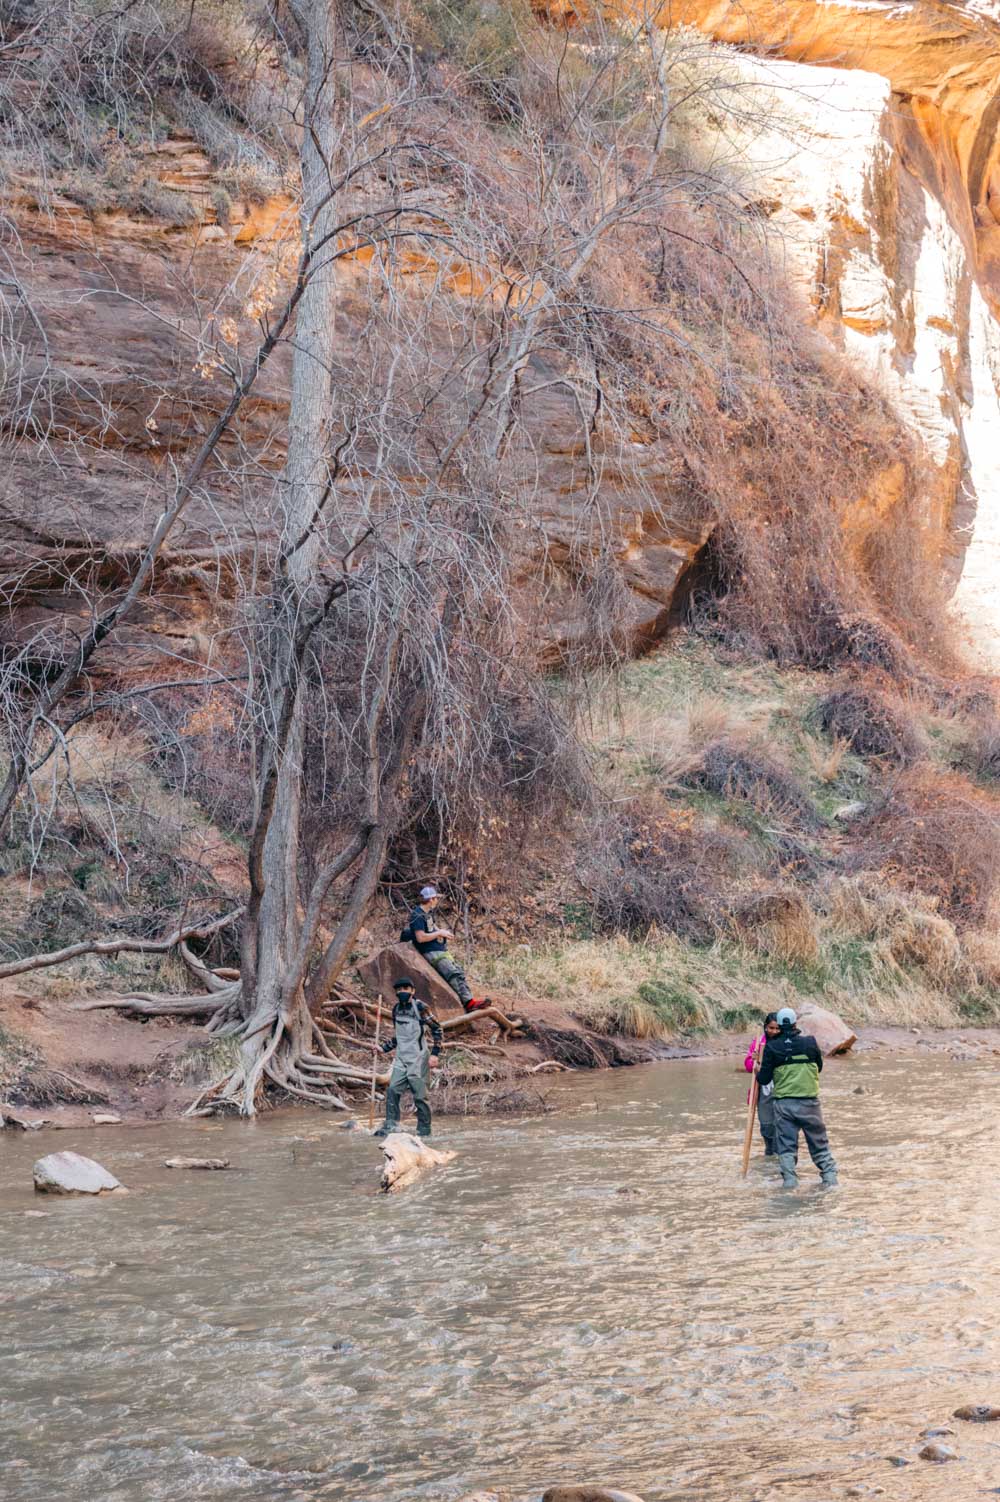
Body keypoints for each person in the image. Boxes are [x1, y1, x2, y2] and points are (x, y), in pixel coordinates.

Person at [756, 1006, 838, 1189]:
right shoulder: (810, 1042)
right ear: (795, 1023)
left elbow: (764, 1079)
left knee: (786, 1146)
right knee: (819, 1143)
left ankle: (790, 1183)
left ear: (780, 1025)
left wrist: (757, 1070)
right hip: (810, 1104)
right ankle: (830, 1180)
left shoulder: (772, 1047)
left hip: (784, 1105)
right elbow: (819, 1067)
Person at [401, 885, 492, 1013]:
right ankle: (468, 1003)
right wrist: (439, 934)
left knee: (458, 971)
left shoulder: (427, 913)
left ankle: (471, 1001)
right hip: (431, 952)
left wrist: (442, 932)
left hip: (439, 949)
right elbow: (420, 938)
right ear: (431, 899)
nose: (437, 900)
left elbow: (432, 927)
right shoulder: (417, 915)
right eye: (435, 898)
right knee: (452, 973)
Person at [373, 977, 443, 1140]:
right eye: (399, 989)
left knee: (420, 1095)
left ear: (412, 991)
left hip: (418, 1058)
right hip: (401, 1058)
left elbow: (437, 1028)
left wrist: (435, 1053)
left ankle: (424, 1132)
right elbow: (399, 1036)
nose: (402, 991)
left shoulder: (421, 1007)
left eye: (405, 988)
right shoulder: (396, 1009)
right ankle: (392, 1125)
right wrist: (383, 1048)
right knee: (392, 1090)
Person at [744, 1012, 781, 1157]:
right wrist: (753, 1060)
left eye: (777, 1028)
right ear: (766, 1027)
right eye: (771, 1028)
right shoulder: (758, 1042)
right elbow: (748, 1066)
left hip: (781, 1089)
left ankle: (780, 1157)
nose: (774, 1031)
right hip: (763, 1092)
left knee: (781, 1127)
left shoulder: (784, 1043)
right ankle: (769, 1152)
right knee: (766, 1127)